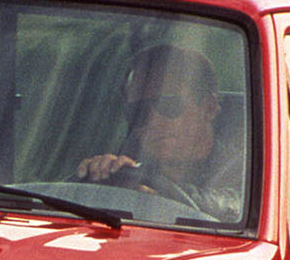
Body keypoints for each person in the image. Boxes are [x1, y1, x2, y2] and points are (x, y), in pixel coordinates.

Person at [76, 44, 241, 218]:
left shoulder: (246, 174)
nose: (151, 121)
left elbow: (231, 207)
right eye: (138, 110)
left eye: (169, 105)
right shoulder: (125, 166)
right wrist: (98, 180)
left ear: (209, 108)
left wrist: (158, 196)